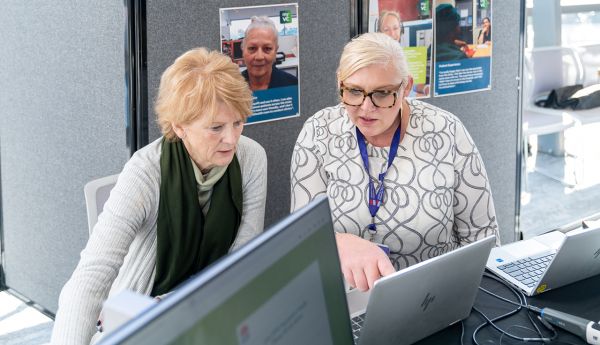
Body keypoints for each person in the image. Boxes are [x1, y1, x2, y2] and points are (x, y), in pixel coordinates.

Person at [51, 48, 268, 345]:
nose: (231, 139)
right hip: (142, 320)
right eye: (215, 127)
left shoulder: (252, 158)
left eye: (238, 122)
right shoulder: (144, 173)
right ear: (179, 126)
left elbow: (243, 259)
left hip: (214, 312)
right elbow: (91, 277)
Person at [290, 32, 498, 292]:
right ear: (340, 83)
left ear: (406, 87)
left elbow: (483, 237)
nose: (366, 108)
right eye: (354, 91)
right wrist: (338, 241)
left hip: (433, 297)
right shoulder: (319, 133)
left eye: (382, 93)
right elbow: (299, 240)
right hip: (344, 301)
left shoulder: (446, 132)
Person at [241, 16, 298, 91]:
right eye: (252, 48)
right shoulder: (229, 88)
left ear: (275, 52)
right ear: (243, 50)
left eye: (267, 48)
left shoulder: (293, 86)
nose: (259, 57)